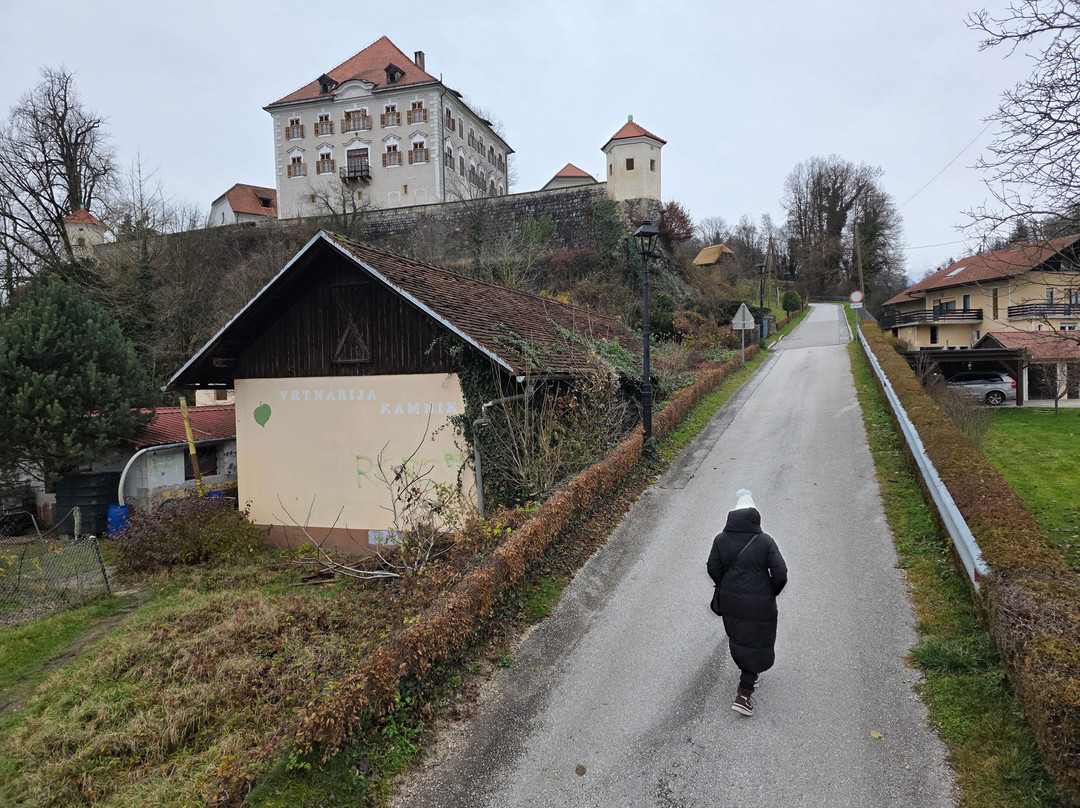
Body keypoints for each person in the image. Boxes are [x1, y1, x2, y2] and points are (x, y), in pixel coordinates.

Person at [707, 488, 788, 716]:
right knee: (758, 640)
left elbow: (712, 567)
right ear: (755, 515)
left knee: (741, 638)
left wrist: (726, 586)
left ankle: (749, 674)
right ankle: (744, 693)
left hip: (730, 602)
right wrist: (770, 592)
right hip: (760, 603)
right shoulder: (765, 541)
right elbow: (780, 574)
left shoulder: (721, 539)